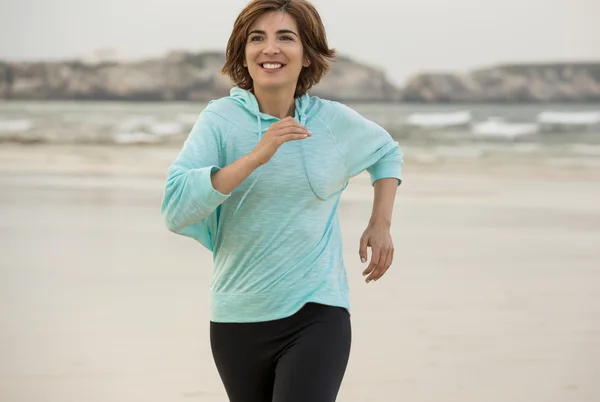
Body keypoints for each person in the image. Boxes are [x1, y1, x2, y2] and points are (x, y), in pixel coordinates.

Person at [161, 0, 404, 401]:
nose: (269, 48)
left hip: (317, 310)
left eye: (285, 38)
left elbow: (386, 152)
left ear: (307, 55)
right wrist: (258, 154)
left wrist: (381, 224)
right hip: (237, 315)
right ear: (244, 51)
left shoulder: (330, 121)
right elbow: (176, 207)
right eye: (257, 38)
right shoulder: (220, 121)